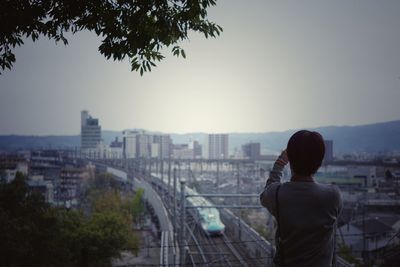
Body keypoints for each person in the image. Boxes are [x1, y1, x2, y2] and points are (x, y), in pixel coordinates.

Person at [260, 130, 342, 267]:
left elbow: (266, 193)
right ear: (320, 161)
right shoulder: (333, 195)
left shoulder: (277, 193)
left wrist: (280, 163)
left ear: (290, 159)